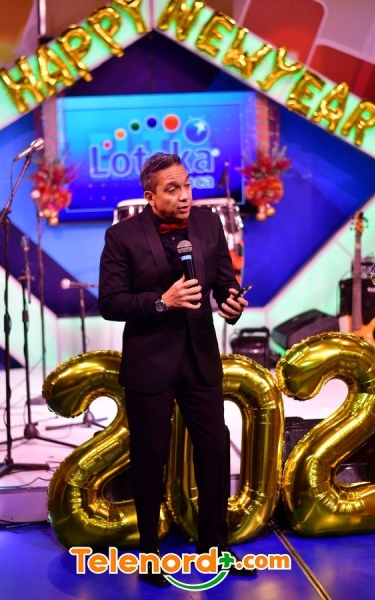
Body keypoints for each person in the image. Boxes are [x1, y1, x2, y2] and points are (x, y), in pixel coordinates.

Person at [98, 152, 256, 586]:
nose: (185, 195)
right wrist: (160, 302)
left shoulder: (208, 224)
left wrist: (232, 304)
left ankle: (215, 547)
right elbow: (110, 302)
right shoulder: (121, 236)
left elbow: (223, 283)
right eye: (173, 189)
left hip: (200, 356)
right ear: (150, 197)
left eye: (187, 185)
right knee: (149, 457)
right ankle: (150, 553)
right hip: (150, 361)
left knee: (214, 450)